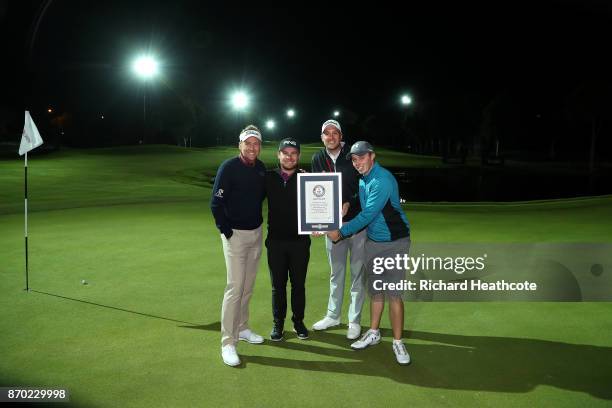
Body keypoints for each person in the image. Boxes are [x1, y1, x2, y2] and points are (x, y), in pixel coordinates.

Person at [327, 141, 412, 365]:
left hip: (395, 242)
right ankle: (373, 332)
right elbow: (362, 207)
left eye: (361, 158)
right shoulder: (364, 179)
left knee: (393, 294)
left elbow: (369, 215)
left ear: (372, 156)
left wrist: (341, 233)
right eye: (354, 160)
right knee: (375, 291)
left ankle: (398, 341)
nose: (357, 163)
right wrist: (345, 204)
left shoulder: (381, 179)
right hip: (374, 243)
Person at [211, 124, 266, 367]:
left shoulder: (261, 168)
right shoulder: (229, 167)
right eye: (248, 143)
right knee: (235, 287)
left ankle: (242, 328)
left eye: (256, 143)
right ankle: (228, 342)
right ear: (240, 145)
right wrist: (226, 231)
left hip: (256, 233)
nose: (252, 147)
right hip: (236, 236)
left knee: (248, 286)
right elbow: (216, 203)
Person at [311, 119, 366, 340]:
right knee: (336, 272)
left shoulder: (352, 154)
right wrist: (315, 222)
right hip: (332, 226)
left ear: (341, 135)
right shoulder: (317, 158)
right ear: (322, 137)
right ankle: (333, 315)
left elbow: (364, 184)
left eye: (335, 133)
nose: (331, 136)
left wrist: (349, 203)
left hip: (357, 223)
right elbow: (315, 191)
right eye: (327, 133)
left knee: (357, 273)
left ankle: (354, 320)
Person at [265, 138, 311, 341]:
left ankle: (298, 321)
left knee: (298, 285)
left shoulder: (306, 179)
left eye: (293, 153)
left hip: (300, 242)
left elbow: (321, 206)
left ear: (298, 156)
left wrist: (321, 225)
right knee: (278, 286)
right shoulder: (268, 177)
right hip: (275, 242)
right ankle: (278, 323)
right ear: (279, 155)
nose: (289, 156)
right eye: (285, 153)